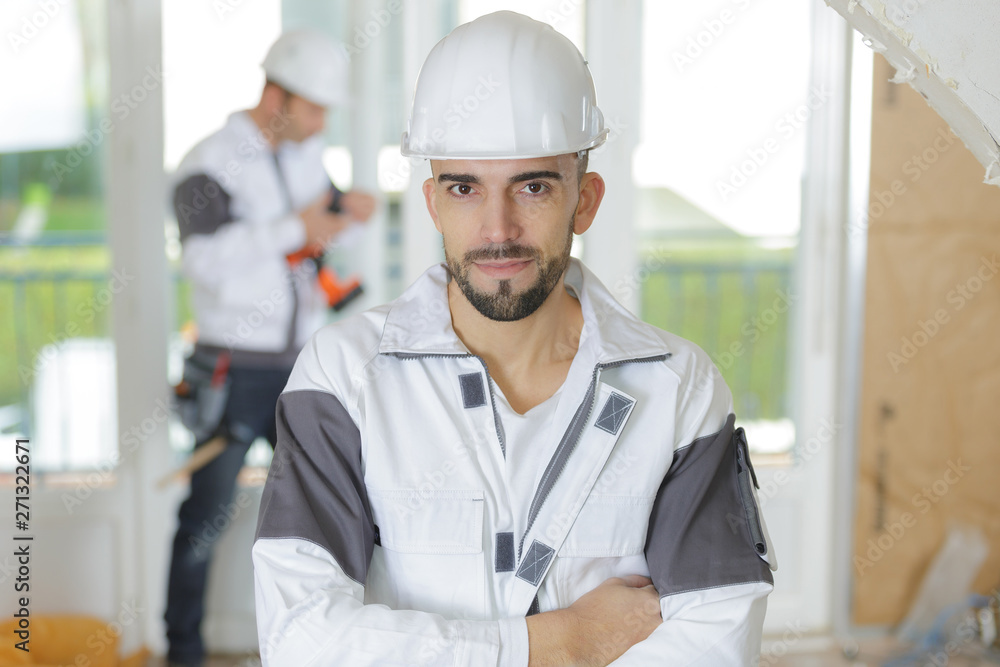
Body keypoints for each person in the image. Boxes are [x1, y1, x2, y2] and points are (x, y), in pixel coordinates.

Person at [253, 11, 775, 666]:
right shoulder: (344, 378)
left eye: (532, 186)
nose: (498, 228)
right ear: (433, 202)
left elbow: (714, 646)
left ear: (584, 200)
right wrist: (558, 643)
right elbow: (302, 641)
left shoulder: (680, 390)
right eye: (465, 187)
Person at [164, 30, 375, 667]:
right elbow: (203, 262)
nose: (321, 124)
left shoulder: (305, 156)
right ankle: (182, 654)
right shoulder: (208, 161)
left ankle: (320, 651)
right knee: (203, 521)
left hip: (299, 369)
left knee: (323, 515)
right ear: (275, 95)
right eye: (313, 108)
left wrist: (339, 212)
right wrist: (297, 227)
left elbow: (308, 238)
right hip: (231, 371)